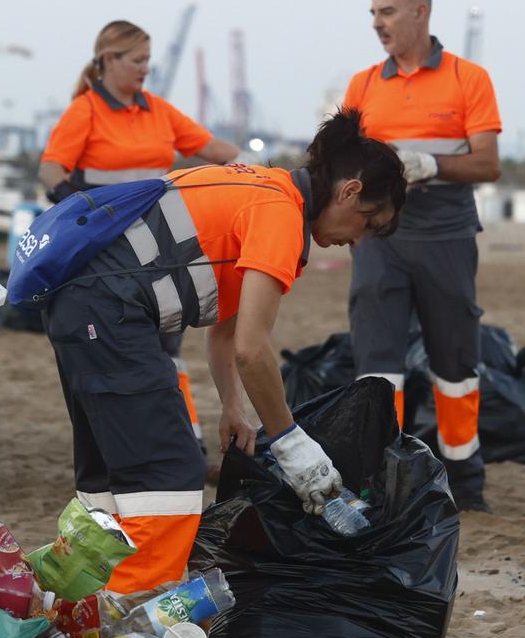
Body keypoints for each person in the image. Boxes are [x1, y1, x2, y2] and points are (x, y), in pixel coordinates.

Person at [39, 108, 407, 591]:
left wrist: (233, 407)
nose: (356, 241)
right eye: (366, 222)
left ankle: (74, 604)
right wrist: (294, 447)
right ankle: (129, 622)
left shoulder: (263, 186)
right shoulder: (280, 213)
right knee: (168, 473)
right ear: (349, 191)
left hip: (78, 303)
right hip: (109, 310)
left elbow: (226, 332)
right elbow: (253, 351)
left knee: (108, 475)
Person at [341, 0, 503, 511]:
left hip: (447, 236)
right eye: (372, 14)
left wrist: (433, 164)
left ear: (420, 13)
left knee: (455, 363)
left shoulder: (468, 78)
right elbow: (341, 161)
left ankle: (466, 482)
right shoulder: (363, 86)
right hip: (379, 238)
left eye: (386, 12)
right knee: (377, 363)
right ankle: (379, 481)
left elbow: (489, 163)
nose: (376, 24)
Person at [38, 20, 241, 438]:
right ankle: (131, 433)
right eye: (137, 60)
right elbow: (50, 169)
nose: (145, 68)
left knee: (169, 343)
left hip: (157, 244)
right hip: (103, 249)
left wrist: (235, 172)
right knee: (116, 343)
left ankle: (190, 438)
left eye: (148, 60)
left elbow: (221, 151)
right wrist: (77, 207)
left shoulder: (159, 110)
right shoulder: (86, 110)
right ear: (109, 60)